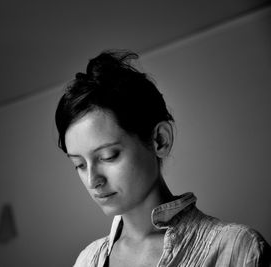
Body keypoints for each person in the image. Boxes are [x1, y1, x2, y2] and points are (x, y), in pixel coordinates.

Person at [54, 50, 270, 266]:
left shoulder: (238, 249)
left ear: (160, 140)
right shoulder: (86, 260)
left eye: (108, 156)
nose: (93, 181)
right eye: (79, 165)